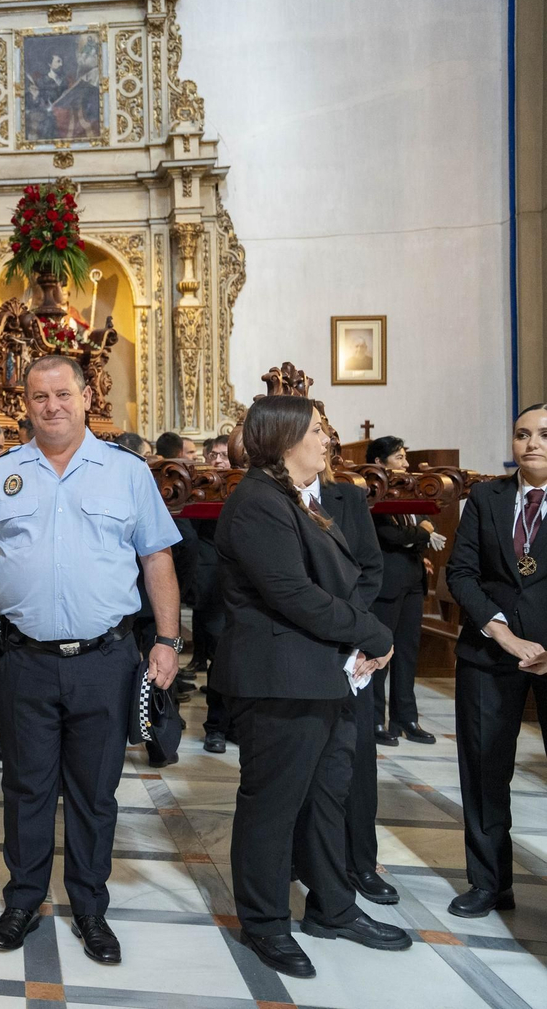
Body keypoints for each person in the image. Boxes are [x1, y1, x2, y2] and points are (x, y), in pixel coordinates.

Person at [0, 356, 180, 963]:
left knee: (94, 792)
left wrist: (167, 640)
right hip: (24, 661)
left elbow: (156, 559)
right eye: (39, 397)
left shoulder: (127, 473)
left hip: (105, 661)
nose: (51, 406)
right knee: (25, 787)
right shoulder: (0, 475)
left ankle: (89, 906)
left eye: (63, 394)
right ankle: (24, 899)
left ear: (86, 398)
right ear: (25, 404)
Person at [212, 395, 409, 979]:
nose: (328, 440)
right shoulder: (256, 502)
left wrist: (357, 639)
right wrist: (372, 632)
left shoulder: (293, 499)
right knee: (272, 806)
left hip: (323, 676)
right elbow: (292, 594)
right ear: (285, 437)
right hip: (281, 681)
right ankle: (265, 922)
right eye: (318, 431)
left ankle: (332, 907)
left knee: (327, 798)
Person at [443, 403, 547, 919]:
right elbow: (460, 573)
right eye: (522, 434)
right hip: (489, 652)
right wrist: (502, 633)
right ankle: (489, 883)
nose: (532, 443)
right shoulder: (485, 497)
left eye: (545, 434)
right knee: (485, 771)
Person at [311, 462, 401, 906]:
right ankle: (303, 858)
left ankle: (361, 862)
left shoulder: (347, 497)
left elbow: (369, 567)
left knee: (358, 758)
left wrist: (351, 626)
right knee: (301, 762)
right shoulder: (268, 498)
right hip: (298, 644)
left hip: (352, 646)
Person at [365, 435, 444, 745]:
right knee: (380, 653)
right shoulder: (374, 494)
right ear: (380, 464)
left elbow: (424, 521)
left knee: (407, 654)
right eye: (399, 457)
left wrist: (419, 533)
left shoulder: (408, 489)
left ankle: (405, 718)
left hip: (412, 580)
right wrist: (421, 534)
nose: (405, 463)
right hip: (386, 584)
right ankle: (374, 721)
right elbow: (390, 535)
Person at [195, 435, 232, 750]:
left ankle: (238, 723)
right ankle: (216, 727)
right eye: (214, 455)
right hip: (213, 588)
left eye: (225, 455)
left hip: (246, 586)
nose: (219, 461)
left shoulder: (245, 486)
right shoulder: (200, 488)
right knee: (219, 659)